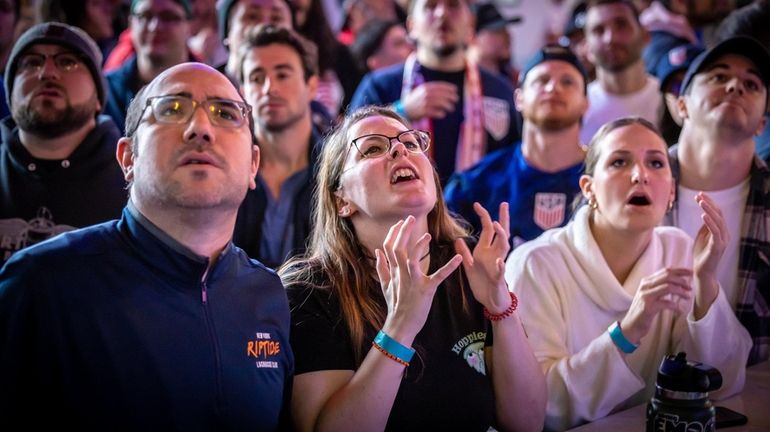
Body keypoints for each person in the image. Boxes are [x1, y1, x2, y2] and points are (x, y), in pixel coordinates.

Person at [0, 62, 293, 429]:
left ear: (253, 165)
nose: (200, 128)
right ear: (128, 158)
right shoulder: (41, 284)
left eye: (225, 113)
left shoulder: (268, 294)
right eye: (172, 109)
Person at [280, 105, 546, 432]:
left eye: (412, 143)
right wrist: (401, 326)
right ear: (342, 201)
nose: (399, 149)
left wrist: (499, 304)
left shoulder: (470, 268)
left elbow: (527, 422)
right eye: (373, 148)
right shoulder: (309, 292)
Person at [505, 117, 752, 431]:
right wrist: (627, 332)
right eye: (619, 162)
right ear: (589, 188)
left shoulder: (678, 249)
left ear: (672, 191)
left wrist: (706, 284)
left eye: (656, 163)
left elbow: (724, 382)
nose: (640, 175)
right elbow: (541, 408)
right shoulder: (535, 265)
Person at [664, 36, 770, 365]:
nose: (736, 85)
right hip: (632, 397)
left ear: (761, 125)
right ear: (681, 105)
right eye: (718, 77)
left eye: (752, 84)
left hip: (753, 400)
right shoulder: (629, 185)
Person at [349, 0, 520, 183]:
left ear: (471, 22)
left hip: (477, 208)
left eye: (453, 5)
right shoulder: (379, 86)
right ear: (411, 26)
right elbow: (348, 149)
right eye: (430, 6)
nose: (442, 14)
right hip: (399, 209)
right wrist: (401, 111)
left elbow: (515, 162)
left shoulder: (499, 90)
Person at [0, 22, 125, 265]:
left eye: (67, 61)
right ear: (10, 90)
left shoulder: (132, 185)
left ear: (99, 97)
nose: (47, 72)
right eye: (31, 63)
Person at [445, 44, 588, 248]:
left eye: (567, 82)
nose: (553, 88)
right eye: (542, 80)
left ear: (585, 103)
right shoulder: (473, 186)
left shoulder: (605, 181)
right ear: (518, 98)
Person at [233, 24, 321, 268]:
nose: (269, 88)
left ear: (311, 86)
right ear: (242, 93)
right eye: (256, 78)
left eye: (282, 75)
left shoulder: (338, 172)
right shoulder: (228, 170)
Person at [580, 0, 662, 144]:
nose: (610, 38)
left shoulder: (668, 99)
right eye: (599, 30)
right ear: (587, 48)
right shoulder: (576, 108)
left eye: (621, 25)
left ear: (645, 35)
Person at [104, 0, 194, 130]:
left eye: (168, 17)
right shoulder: (106, 91)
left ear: (189, 27)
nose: (155, 26)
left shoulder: (213, 88)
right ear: (131, 24)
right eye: (145, 16)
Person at [467, 2, 522, 86]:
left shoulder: (517, 79)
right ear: (473, 38)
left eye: (505, 30)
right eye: (497, 31)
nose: (507, 36)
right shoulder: (459, 78)